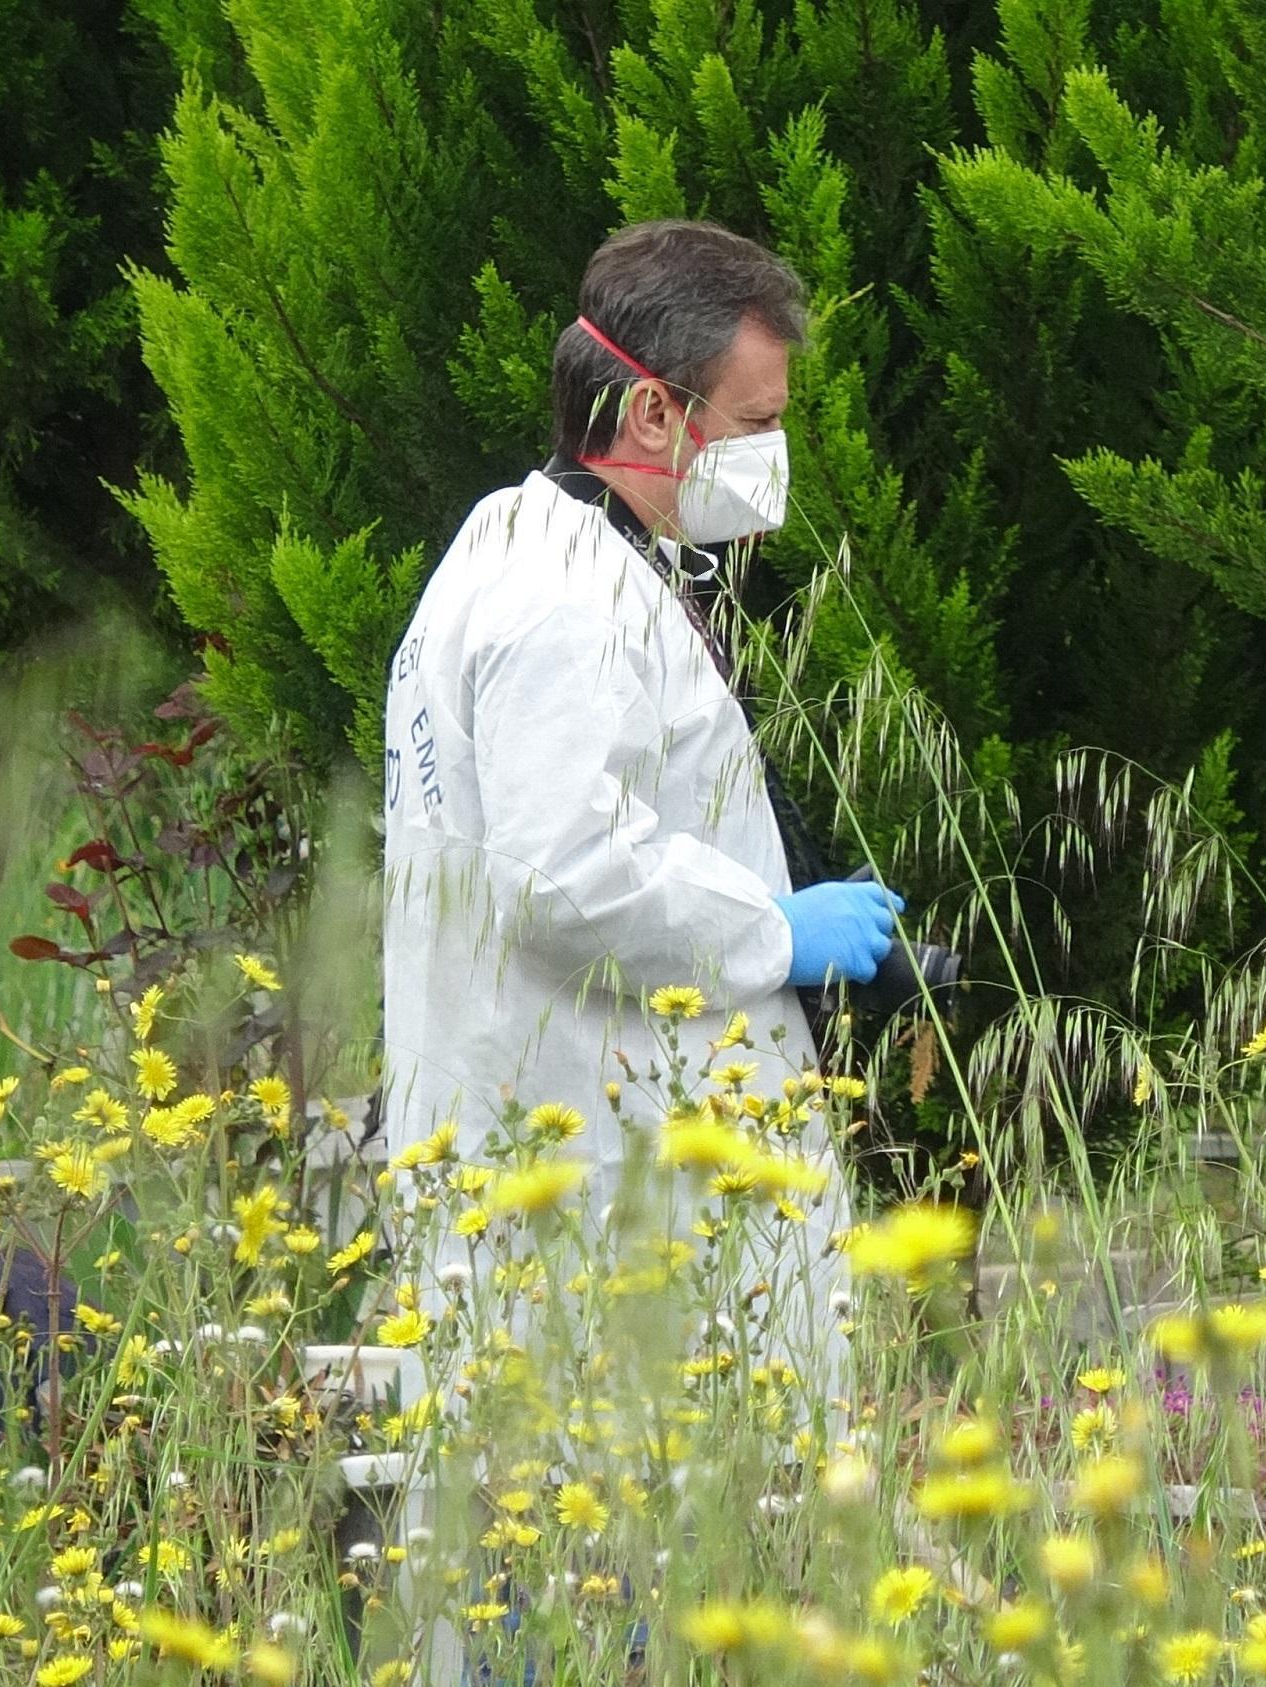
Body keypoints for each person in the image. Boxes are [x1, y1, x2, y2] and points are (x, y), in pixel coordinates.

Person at [379, 217, 903, 1408]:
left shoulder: (529, 545)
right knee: (624, 1549)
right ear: (654, 414)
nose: (775, 452)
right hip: (599, 1177)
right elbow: (566, 874)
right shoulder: (559, 599)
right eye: (758, 423)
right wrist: (776, 930)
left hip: (587, 1156)